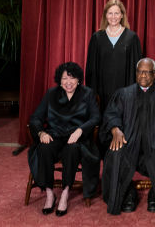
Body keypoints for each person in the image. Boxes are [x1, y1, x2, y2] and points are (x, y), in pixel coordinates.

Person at [100, 58, 155, 217]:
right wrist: (115, 129)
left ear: (154, 74)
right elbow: (111, 115)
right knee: (115, 153)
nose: (143, 75)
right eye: (139, 71)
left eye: (147, 72)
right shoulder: (123, 94)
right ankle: (126, 192)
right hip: (129, 141)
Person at [27, 61, 101, 216]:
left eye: (72, 78)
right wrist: (41, 133)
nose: (68, 82)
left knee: (72, 150)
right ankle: (49, 193)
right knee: (44, 148)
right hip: (55, 134)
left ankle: (65, 192)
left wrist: (81, 130)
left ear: (79, 80)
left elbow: (96, 117)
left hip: (76, 137)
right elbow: (35, 118)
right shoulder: (51, 94)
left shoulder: (87, 94)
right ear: (59, 81)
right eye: (64, 79)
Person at [85, 0, 143, 115]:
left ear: (122, 15)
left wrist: (134, 92)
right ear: (105, 15)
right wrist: (93, 93)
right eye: (110, 13)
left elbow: (137, 69)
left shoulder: (131, 38)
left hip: (125, 91)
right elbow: (91, 68)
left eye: (117, 13)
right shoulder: (97, 38)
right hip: (102, 91)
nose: (113, 17)